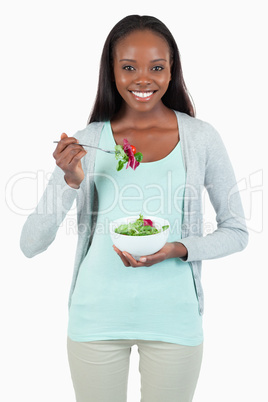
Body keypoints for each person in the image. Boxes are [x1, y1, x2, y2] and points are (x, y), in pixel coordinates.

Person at [20, 14, 248, 402]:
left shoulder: (201, 138)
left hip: (174, 322)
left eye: (156, 67)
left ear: (171, 70)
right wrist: (70, 181)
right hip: (96, 321)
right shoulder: (87, 141)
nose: (143, 79)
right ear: (111, 71)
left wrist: (179, 248)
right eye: (129, 67)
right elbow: (30, 244)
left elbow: (237, 232)